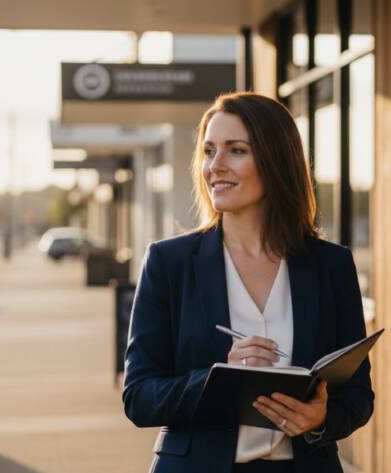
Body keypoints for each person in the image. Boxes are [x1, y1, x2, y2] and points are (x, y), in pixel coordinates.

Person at [122, 92, 373, 473]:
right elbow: (138, 396)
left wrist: (321, 419)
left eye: (235, 151)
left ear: (275, 161)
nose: (215, 166)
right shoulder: (168, 263)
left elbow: (358, 396)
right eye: (208, 151)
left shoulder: (331, 265)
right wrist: (215, 379)